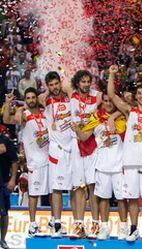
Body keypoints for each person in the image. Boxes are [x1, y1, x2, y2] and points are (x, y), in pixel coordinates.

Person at [107, 65, 142, 241]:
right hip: (130, 161)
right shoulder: (129, 111)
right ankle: (133, 228)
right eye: (139, 93)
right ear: (136, 96)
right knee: (132, 198)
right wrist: (111, 74)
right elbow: (112, 95)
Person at [72, 94, 128, 240]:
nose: (108, 103)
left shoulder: (122, 116)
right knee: (104, 198)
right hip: (102, 165)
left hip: (119, 164)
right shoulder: (95, 118)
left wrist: (113, 116)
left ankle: (123, 228)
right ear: (102, 102)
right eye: (105, 101)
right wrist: (77, 129)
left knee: (122, 199)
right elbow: (84, 137)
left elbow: (130, 107)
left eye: (111, 101)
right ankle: (104, 228)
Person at [3, 88, 49, 237]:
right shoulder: (25, 115)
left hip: (51, 159)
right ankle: (32, 225)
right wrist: (8, 103)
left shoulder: (45, 113)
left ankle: (55, 222)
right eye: (27, 98)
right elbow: (6, 120)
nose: (30, 100)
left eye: (32, 97)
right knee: (34, 194)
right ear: (25, 100)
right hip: (35, 162)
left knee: (55, 192)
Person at [67, 70, 102, 239]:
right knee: (78, 186)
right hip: (75, 143)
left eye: (88, 81)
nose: (86, 84)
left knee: (92, 186)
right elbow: (55, 86)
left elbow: (113, 103)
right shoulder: (71, 94)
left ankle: (95, 224)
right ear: (77, 83)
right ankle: (79, 225)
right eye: (83, 82)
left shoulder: (97, 96)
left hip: (91, 143)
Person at [38, 72, 73, 238]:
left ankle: (77, 222)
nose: (54, 87)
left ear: (60, 82)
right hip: (56, 149)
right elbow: (39, 98)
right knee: (57, 188)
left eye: (56, 84)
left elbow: (72, 88)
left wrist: (65, 85)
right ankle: (57, 224)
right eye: (50, 85)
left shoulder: (70, 97)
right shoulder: (45, 100)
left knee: (75, 187)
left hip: (73, 147)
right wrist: (47, 92)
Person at [0, 133, 18, 249]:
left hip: (3, 183)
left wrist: (12, 179)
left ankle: (2, 240)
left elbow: (15, 160)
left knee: (4, 213)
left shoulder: (5, 140)